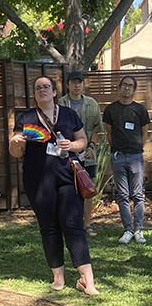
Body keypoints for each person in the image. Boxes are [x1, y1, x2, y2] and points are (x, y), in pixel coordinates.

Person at [9, 76, 99, 295]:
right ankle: (58, 277)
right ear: (34, 94)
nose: (42, 91)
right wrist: (14, 143)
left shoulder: (69, 114)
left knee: (73, 225)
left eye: (46, 87)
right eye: (38, 88)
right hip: (38, 181)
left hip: (68, 177)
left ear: (55, 91)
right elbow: (16, 153)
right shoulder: (27, 118)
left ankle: (88, 280)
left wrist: (73, 145)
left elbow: (82, 141)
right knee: (49, 228)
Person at [103, 75, 149, 244]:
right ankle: (127, 230)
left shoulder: (140, 110)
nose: (127, 88)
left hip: (136, 157)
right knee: (122, 194)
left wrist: (138, 149)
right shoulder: (110, 110)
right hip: (118, 156)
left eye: (130, 86)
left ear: (134, 90)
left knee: (138, 194)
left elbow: (144, 133)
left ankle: (139, 230)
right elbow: (109, 133)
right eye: (124, 85)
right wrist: (117, 149)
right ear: (119, 87)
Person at [58, 71, 103, 236]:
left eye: (80, 82)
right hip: (67, 153)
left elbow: (97, 129)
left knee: (88, 188)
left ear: (83, 85)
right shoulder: (60, 103)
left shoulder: (92, 103)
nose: (77, 85)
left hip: (87, 154)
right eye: (73, 82)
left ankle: (87, 224)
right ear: (68, 84)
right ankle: (68, 224)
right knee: (67, 188)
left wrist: (91, 146)